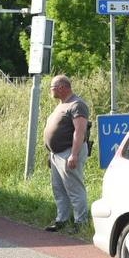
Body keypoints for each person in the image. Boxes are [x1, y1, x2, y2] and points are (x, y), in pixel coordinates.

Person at [42, 75, 91, 232]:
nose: (51, 91)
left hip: (69, 151)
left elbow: (79, 131)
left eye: (52, 87)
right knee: (59, 189)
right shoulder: (62, 104)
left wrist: (74, 154)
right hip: (57, 154)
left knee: (74, 188)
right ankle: (61, 219)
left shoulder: (77, 105)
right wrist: (51, 154)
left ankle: (81, 222)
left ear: (62, 87)